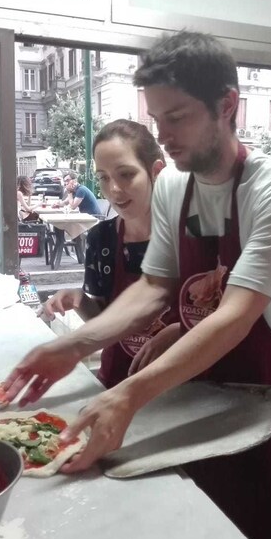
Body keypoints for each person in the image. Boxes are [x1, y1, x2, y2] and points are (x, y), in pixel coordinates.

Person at [4, 31, 271, 539]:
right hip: (199, 408)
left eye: (177, 117)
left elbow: (236, 315)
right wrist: (72, 346)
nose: (164, 136)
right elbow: (154, 289)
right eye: (157, 119)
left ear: (227, 105)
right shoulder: (176, 188)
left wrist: (127, 396)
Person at [41, 119, 180, 388]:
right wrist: (80, 301)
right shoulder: (101, 238)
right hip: (116, 383)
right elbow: (106, 322)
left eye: (126, 174)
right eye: (104, 177)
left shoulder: (190, 236)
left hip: (179, 390)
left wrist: (181, 331)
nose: (114, 189)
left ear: (156, 171)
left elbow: (218, 316)